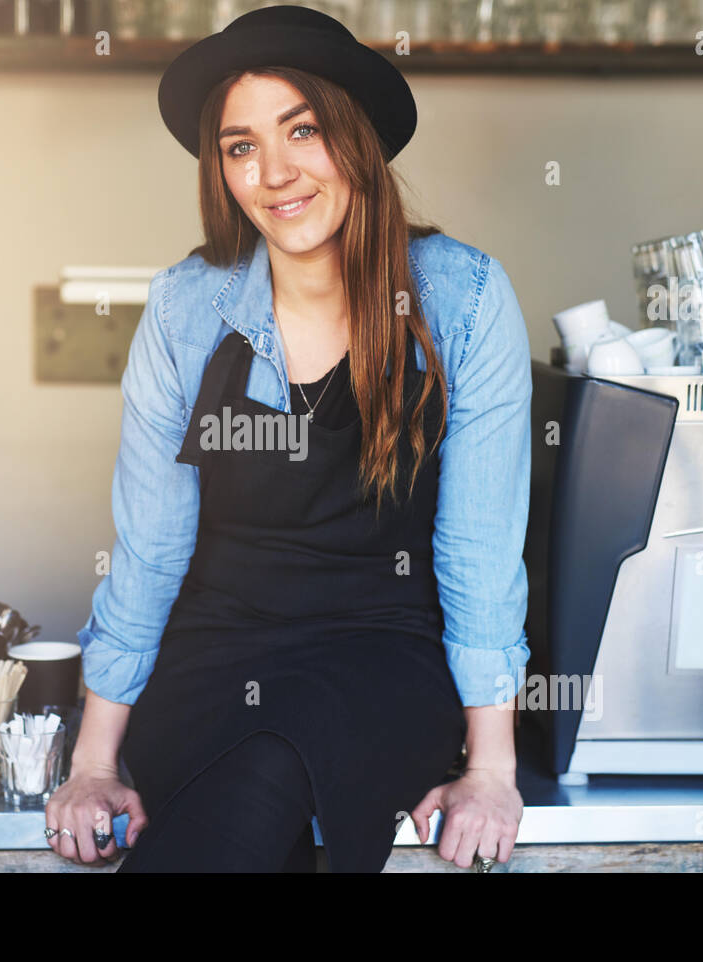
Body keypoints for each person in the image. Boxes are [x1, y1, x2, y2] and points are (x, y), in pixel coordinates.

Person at [44, 4, 532, 873]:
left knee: (272, 768)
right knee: (243, 771)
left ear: (356, 139)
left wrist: (491, 768)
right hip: (214, 656)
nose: (274, 173)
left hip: (383, 659)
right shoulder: (187, 308)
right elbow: (152, 548)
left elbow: (479, 553)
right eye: (240, 146)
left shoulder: (464, 299)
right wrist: (92, 763)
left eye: (301, 130)